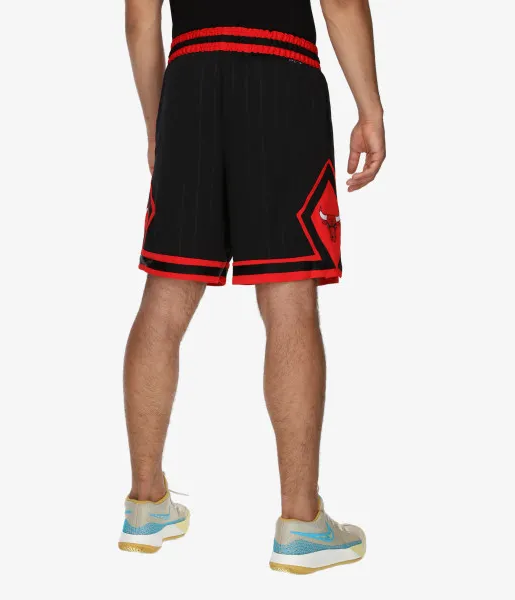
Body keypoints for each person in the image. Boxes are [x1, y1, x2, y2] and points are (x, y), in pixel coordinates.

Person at [119, 0, 385, 574]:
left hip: (191, 77)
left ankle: (144, 505)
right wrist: (370, 108)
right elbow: (340, 3)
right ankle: (301, 522)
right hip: (281, 73)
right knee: (288, 299)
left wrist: (158, 124)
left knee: (164, 296)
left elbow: (141, 19)